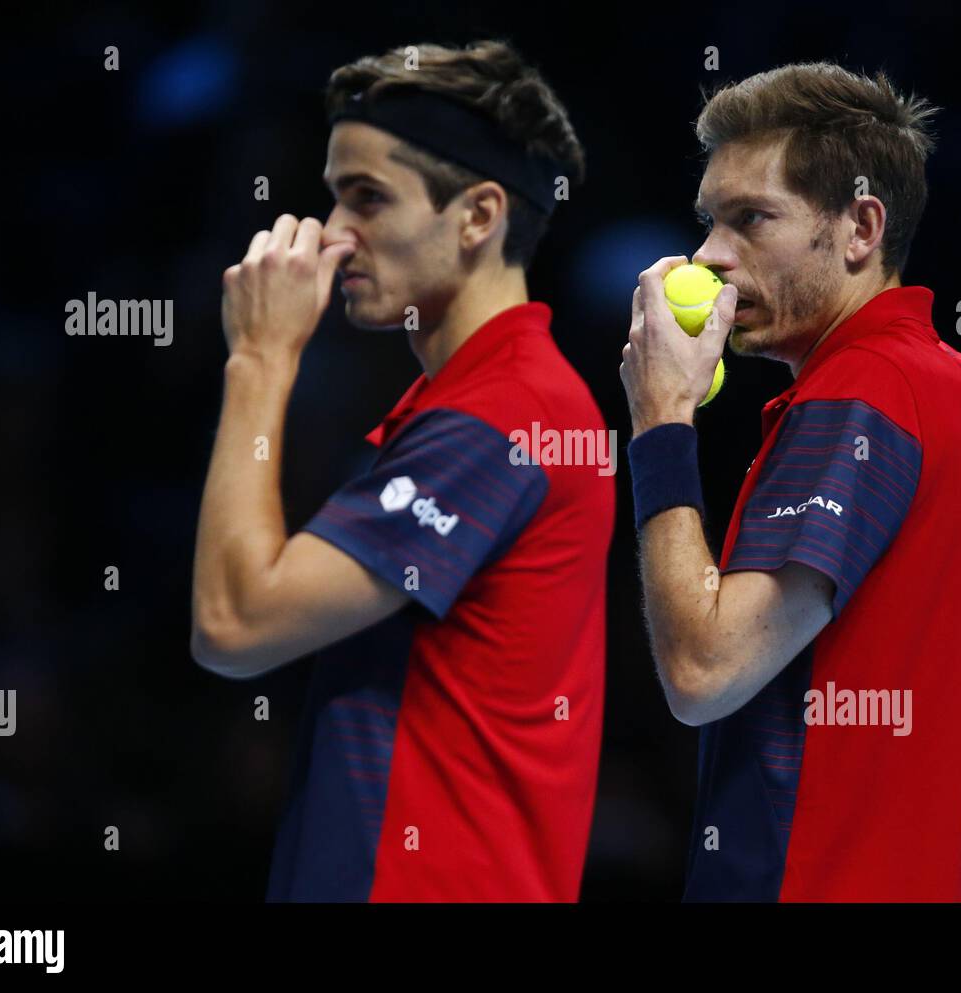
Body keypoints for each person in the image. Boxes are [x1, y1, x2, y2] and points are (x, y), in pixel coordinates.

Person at [620, 61, 961, 901]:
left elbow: (703, 671)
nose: (710, 255)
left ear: (861, 226)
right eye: (710, 220)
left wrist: (662, 421)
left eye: (752, 218)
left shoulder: (855, 396)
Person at [191, 40, 613, 902]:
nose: (335, 236)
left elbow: (234, 623)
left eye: (368, 199)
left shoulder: (503, 419)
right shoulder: (496, 402)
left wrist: (261, 361)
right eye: (334, 195)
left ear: (478, 215)